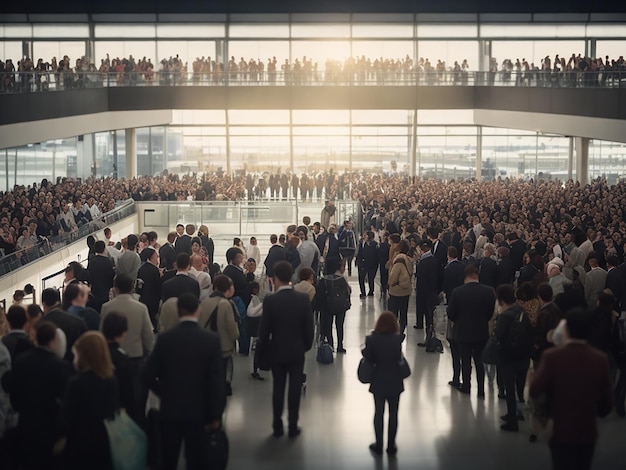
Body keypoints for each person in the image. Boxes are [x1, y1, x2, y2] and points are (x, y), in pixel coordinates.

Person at [143, 294, 226, 470]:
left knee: (169, 458)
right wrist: (216, 414)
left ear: (179, 311)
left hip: (170, 409)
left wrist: (163, 391)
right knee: (195, 459)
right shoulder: (211, 340)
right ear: (198, 310)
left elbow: (147, 374)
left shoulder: (165, 339)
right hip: (199, 411)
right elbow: (216, 382)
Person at [530, 309, 613, 470]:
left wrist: (532, 378)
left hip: (561, 429)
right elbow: (607, 403)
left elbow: (535, 391)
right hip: (587, 430)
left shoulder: (552, 356)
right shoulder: (600, 359)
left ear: (566, 329)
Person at [4, 322, 72, 470]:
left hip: (25, 425)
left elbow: (13, 394)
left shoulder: (21, 361)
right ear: (53, 340)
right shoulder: (60, 366)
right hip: (50, 428)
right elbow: (65, 401)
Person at [258, 261, 314, 438]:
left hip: (277, 351)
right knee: (295, 389)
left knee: (278, 388)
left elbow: (264, 330)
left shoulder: (270, 300)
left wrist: (264, 351)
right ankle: (292, 425)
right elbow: (309, 328)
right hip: (297, 351)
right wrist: (304, 346)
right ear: (292, 277)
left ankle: (277, 425)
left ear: (275, 279)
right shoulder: (302, 299)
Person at [64, 331, 119, 470]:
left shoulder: (78, 382)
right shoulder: (111, 380)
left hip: (80, 443)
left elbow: (67, 417)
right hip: (105, 441)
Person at [447, 265, 496, 397]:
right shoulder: (489, 291)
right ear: (477, 275)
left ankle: (466, 386)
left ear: (465, 276)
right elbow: (490, 312)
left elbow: (451, 313)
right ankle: (481, 389)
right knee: (480, 361)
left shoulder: (457, 292)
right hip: (481, 331)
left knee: (465, 360)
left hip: (463, 331)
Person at [362, 311, 406, 455]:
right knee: (393, 414)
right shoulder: (397, 339)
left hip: (378, 381)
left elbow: (368, 358)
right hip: (395, 381)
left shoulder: (372, 339)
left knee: (378, 413)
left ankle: (379, 445)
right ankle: (391, 446)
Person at [495, 284, 533, 432]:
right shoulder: (521, 311)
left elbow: (499, 335)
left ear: (501, 300)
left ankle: (512, 420)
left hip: (508, 356)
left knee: (509, 389)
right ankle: (519, 413)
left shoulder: (504, 316)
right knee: (520, 387)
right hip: (524, 355)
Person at [199, 275, 240, 397]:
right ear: (227, 288)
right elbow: (231, 327)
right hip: (223, 345)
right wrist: (236, 336)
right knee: (222, 371)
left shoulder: (204, 302)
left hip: (206, 344)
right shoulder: (226, 304)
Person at [101, 312, 137, 423]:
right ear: (123, 333)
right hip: (115, 413)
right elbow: (128, 392)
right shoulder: (123, 359)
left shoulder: (96, 353)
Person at [41, 288, 87, 363]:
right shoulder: (78, 321)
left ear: (44, 304)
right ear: (60, 302)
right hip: (74, 367)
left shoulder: (41, 325)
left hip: (50, 368)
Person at [316, 257, 351, 353]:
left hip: (328, 306)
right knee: (340, 326)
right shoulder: (341, 279)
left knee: (328, 326)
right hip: (340, 306)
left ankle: (330, 344)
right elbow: (348, 291)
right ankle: (340, 345)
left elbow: (319, 295)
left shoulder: (324, 280)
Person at [415, 240, 442, 336]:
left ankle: (429, 339)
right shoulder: (435, 260)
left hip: (424, 294)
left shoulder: (423, 262)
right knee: (430, 317)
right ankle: (429, 336)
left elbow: (421, 278)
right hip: (432, 292)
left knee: (427, 316)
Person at [387, 240, 412, 336]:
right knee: (403, 312)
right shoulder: (408, 259)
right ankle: (401, 331)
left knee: (393, 314)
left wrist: (390, 282)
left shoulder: (398, 260)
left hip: (396, 291)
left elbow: (393, 278)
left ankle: (395, 333)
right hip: (406, 291)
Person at [86, 240, 115, 312]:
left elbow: (89, 276)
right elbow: (111, 276)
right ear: (104, 249)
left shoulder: (91, 262)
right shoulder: (107, 261)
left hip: (95, 291)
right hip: (105, 291)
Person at [137, 247, 163, 328]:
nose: (157, 259)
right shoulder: (154, 270)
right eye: (156, 257)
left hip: (143, 299)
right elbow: (158, 286)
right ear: (150, 257)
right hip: (153, 300)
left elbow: (139, 285)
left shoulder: (141, 269)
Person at [356, 231, 379, 298]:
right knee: (361, 278)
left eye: (365, 235)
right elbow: (359, 253)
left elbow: (376, 255)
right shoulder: (362, 243)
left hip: (372, 264)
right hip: (363, 263)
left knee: (371, 278)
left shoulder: (375, 244)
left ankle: (371, 291)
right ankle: (363, 292)